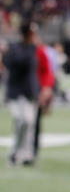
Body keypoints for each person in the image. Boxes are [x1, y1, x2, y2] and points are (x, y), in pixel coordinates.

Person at [3, 23, 40, 165]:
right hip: (16, 92)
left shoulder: (34, 49)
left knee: (29, 123)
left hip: (30, 92)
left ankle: (27, 155)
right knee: (22, 121)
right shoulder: (16, 48)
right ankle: (15, 152)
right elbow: (12, 63)